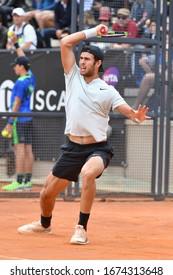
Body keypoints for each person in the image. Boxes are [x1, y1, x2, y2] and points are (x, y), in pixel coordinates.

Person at [17, 24, 150, 244]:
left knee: (88, 174)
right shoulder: (72, 77)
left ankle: (81, 228)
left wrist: (137, 115)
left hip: (97, 148)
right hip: (71, 148)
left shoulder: (107, 90)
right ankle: (45, 225)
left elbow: (130, 113)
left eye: (88, 59)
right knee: (46, 195)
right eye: (81, 58)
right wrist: (93, 32)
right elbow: (65, 42)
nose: (82, 62)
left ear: (98, 64)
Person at [2, 33, 35, 191]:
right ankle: (27, 182)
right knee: (28, 149)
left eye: (16, 65)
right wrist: (16, 45)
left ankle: (19, 181)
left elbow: (16, 103)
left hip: (19, 120)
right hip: (28, 119)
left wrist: (9, 122)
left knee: (19, 150)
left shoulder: (19, 83)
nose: (14, 68)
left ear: (21, 67)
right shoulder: (30, 77)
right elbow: (25, 60)